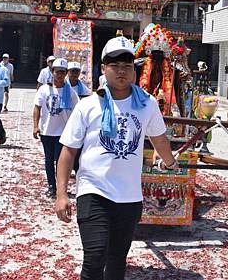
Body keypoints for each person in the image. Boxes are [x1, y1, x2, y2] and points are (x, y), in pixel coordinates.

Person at [55, 36, 177, 280]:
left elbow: (159, 138)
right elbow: (68, 151)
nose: (121, 71)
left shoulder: (146, 104)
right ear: (103, 69)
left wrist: (171, 162)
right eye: (114, 65)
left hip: (129, 197)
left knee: (117, 260)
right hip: (93, 191)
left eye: (127, 66)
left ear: (134, 69)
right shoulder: (88, 105)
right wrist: (61, 194)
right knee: (95, 255)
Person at [33, 58, 79, 198]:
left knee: (60, 160)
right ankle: (51, 185)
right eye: (57, 72)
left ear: (66, 74)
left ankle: (61, 187)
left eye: (62, 72)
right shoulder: (44, 89)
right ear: (52, 72)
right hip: (47, 131)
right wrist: (35, 126)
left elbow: (78, 111)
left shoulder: (70, 92)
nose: (60, 75)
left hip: (63, 132)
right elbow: (37, 108)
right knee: (48, 160)